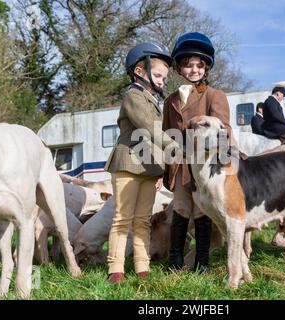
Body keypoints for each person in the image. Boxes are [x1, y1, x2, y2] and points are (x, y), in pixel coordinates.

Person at [104, 42, 178, 284]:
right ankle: (115, 268)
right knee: (123, 217)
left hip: (149, 168)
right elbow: (149, 127)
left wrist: (161, 171)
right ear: (139, 72)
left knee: (143, 219)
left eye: (164, 78)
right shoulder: (133, 96)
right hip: (128, 164)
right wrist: (174, 147)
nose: (161, 81)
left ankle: (142, 266)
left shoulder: (153, 99)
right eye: (157, 75)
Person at [162, 32, 232, 273]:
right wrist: (164, 168)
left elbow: (224, 128)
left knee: (202, 210)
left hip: (205, 165)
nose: (193, 70)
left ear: (206, 68)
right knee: (180, 208)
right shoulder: (169, 100)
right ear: (180, 68)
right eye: (188, 65)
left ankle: (202, 263)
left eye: (198, 66)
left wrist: (224, 157)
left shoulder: (214, 95)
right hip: (179, 164)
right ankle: (175, 261)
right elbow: (165, 134)